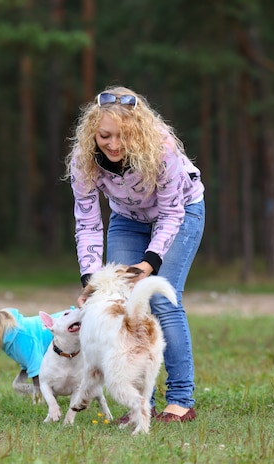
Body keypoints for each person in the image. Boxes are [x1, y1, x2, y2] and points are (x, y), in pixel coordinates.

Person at [65, 86, 205, 423]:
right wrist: (92, 279)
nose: (113, 144)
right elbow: (87, 220)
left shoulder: (163, 149)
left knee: (161, 299)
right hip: (127, 219)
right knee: (124, 304)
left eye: (124, 136)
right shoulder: (83, 160)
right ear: (92, 132)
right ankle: (143, 402)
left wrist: (150, 262)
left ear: (139, 130)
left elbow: (171, 213)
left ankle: (182, 399)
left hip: (181, 214)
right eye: (105, 136)